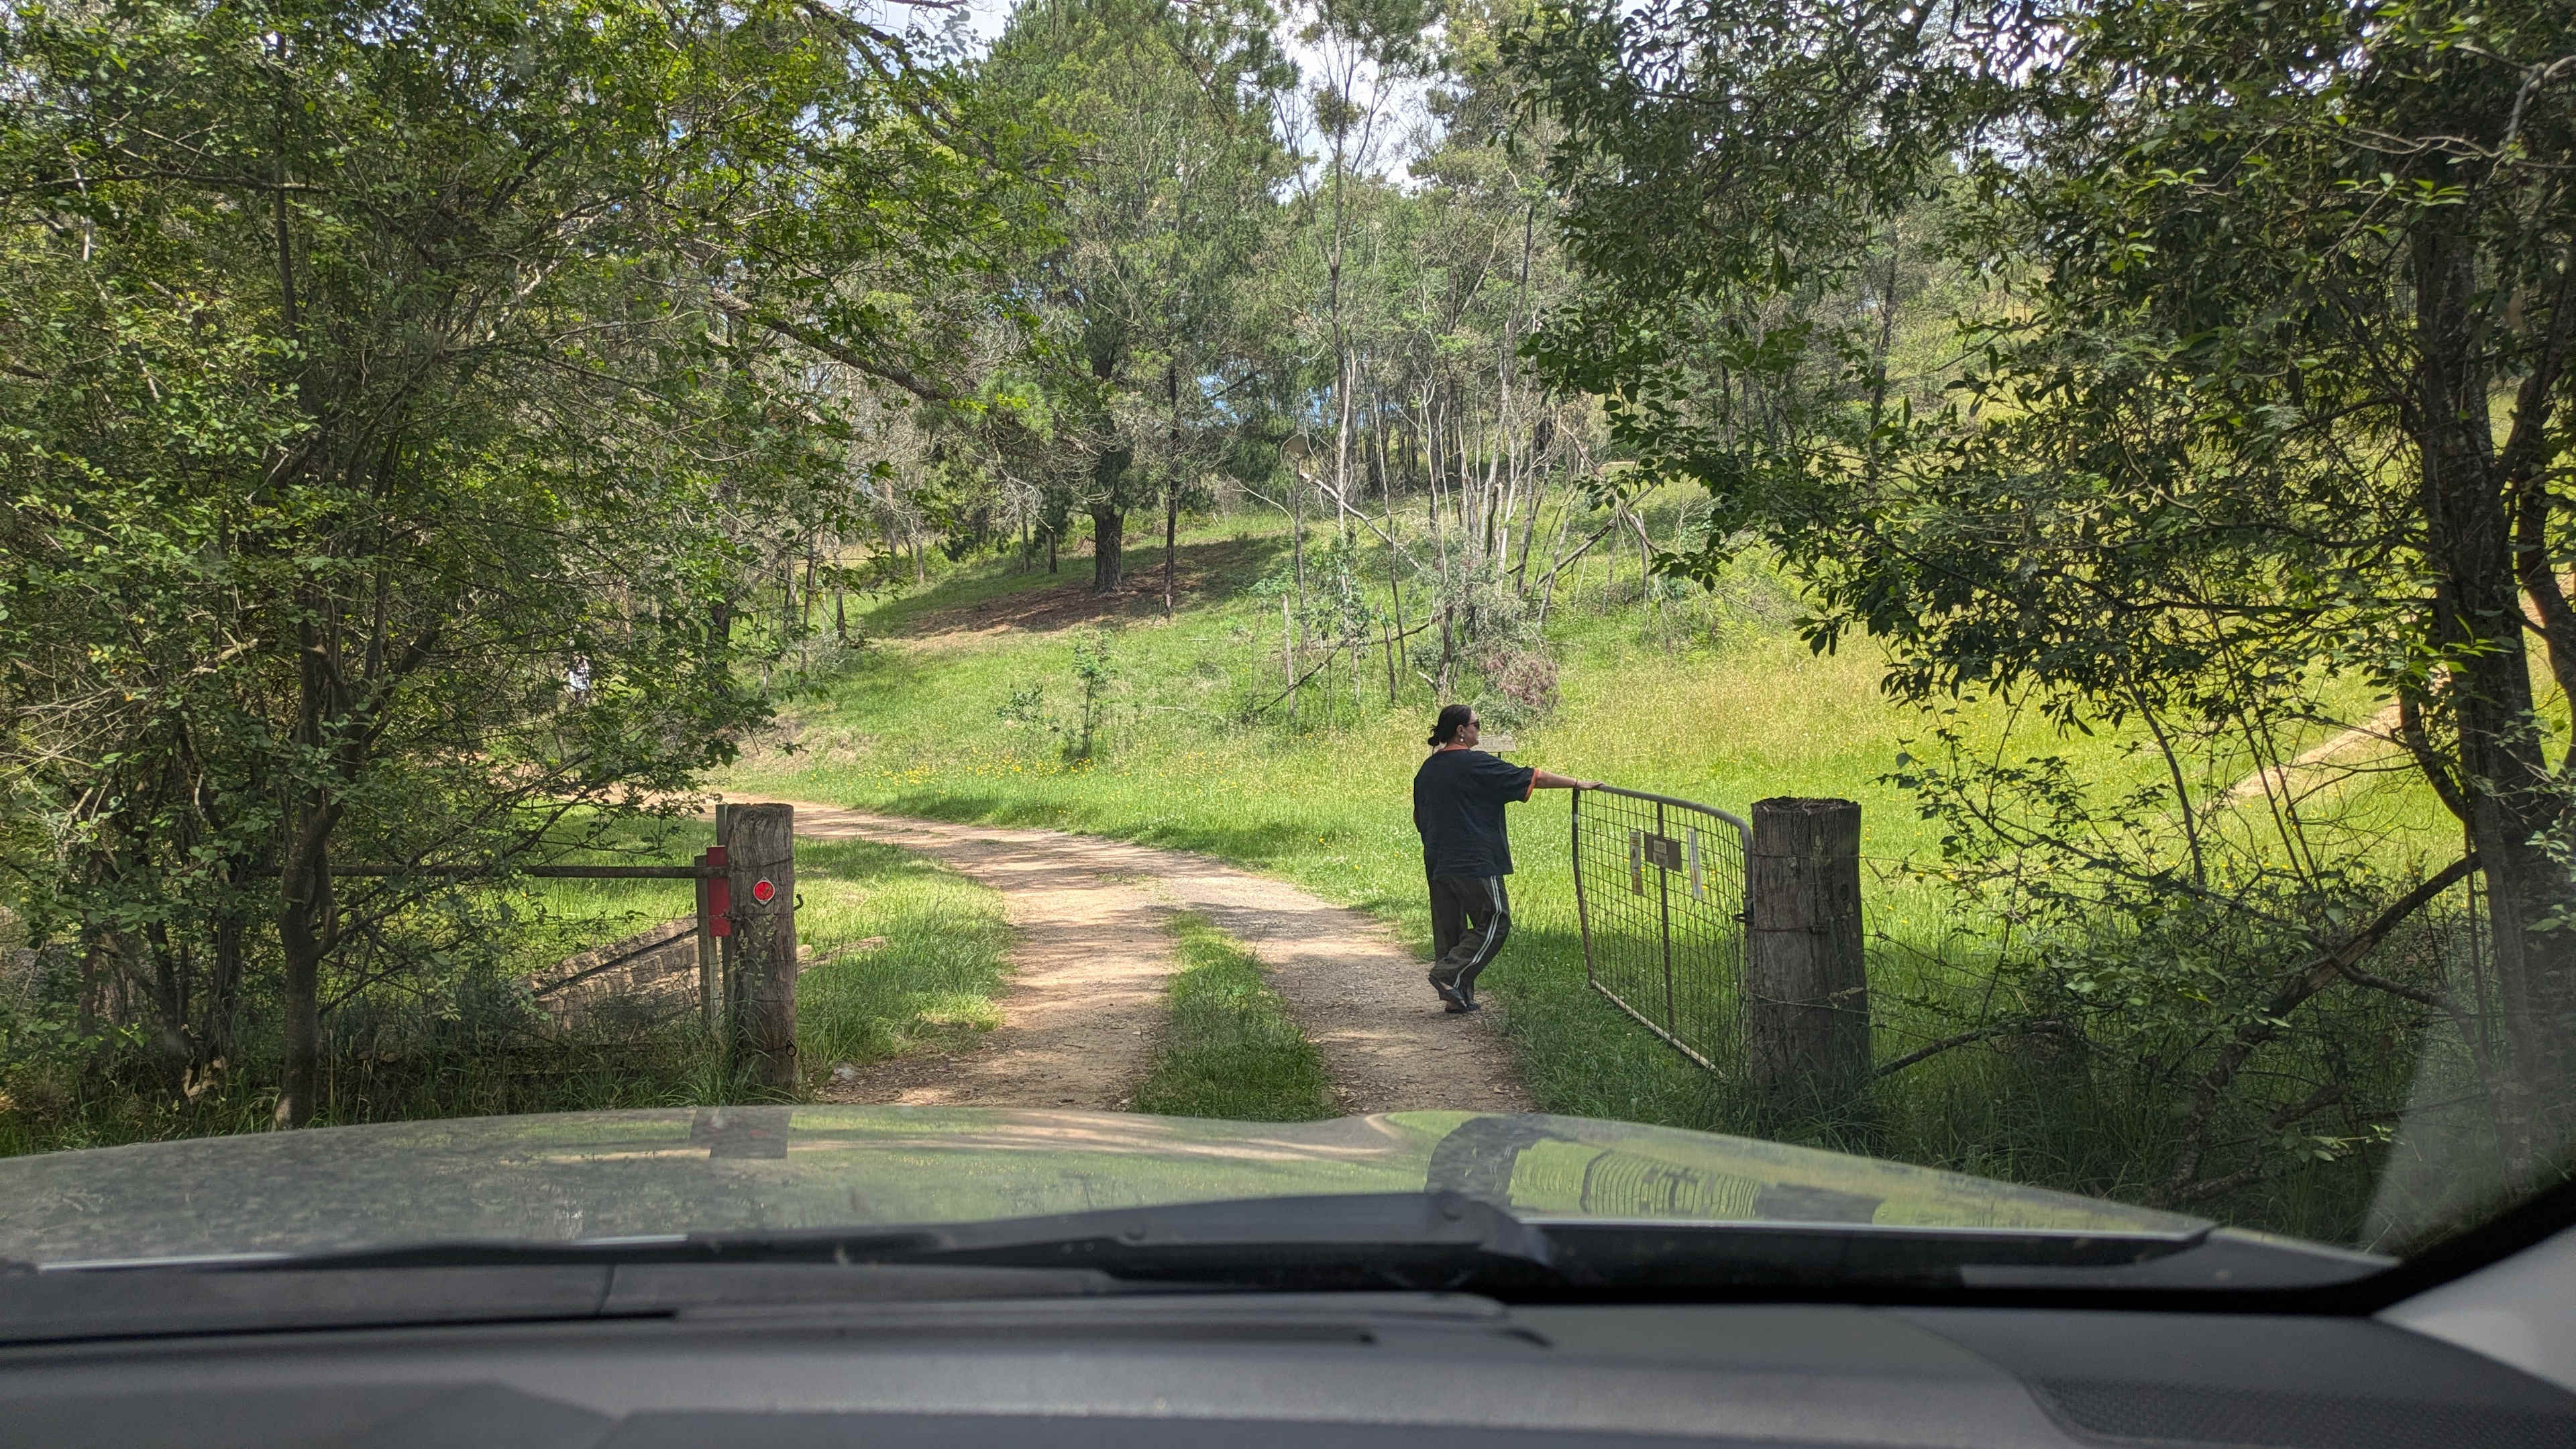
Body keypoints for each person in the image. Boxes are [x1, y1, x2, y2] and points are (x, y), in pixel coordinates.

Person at [1412, 704, 1600, 1013]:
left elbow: (1419, 818)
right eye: (1476, 724)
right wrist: (1577, 783)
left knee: (1451, 930)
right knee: (1495, 920)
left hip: (1437, 860)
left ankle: (1457, 996)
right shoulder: (1477, 764)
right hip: (1475, 861)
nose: (1479, 730)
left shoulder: (1427, 770)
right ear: (1461, 730)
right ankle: (1448, 976)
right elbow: (1532, 777)